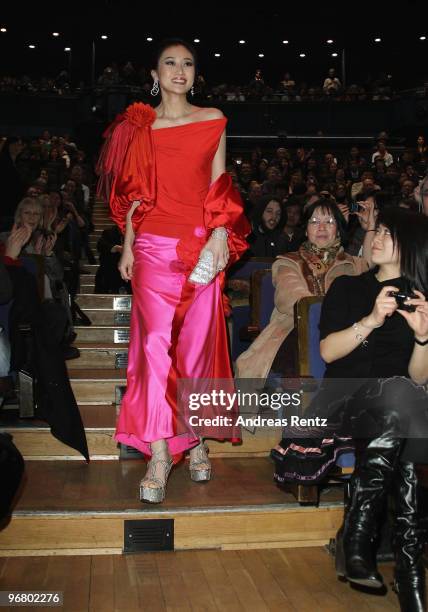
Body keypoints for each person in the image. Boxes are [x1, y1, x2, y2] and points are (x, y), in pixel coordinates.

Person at [97, 38, 250, 503]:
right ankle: (160, 454)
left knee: (198, 350)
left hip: (201, 247)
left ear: (194, 74)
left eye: (187, 63)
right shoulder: (137, 127)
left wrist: (221, 236)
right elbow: (133, 197)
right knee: (153, 350)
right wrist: (127, 247)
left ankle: (197, 438)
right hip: (152, 249)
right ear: (155, 73)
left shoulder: (213, 120)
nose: (179, 70)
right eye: (170, 63)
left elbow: (219, 184)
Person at [273, 207, 428, 610]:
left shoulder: (422, 296)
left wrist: (424, 338)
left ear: (409, 244)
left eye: (387, 233)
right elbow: (328, 352)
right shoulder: (348, 288)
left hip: (400, 409)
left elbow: (419, 377)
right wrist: (372, 320)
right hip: (349, 400)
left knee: (402, 404)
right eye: (375, 230)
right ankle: (409, 578)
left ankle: (361, 538)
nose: (374, 237)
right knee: (402, 416)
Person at [235, 199, 368, 380]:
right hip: (294, 330)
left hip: (347, 333)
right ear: (306, 230)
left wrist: (372, 228)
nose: (321, 227)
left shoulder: (355, 265)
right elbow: (291, 297)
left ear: (338, 228)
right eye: (314, 222)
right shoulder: (289, 262)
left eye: (329, 222)